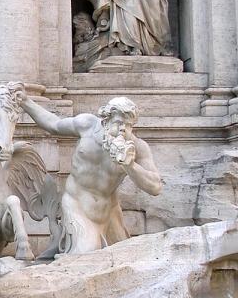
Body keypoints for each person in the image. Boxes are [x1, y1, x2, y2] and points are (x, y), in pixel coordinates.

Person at [16, 90, 162, 255]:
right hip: (77, 205)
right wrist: (25, 102)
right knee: (87, 255)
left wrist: (130, 166)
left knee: (121, 258)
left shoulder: (136, 147)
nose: (124, 130)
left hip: (109, 212)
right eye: (119, 123)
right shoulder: (87, 125)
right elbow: (53, 125)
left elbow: (155, 187)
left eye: (129, 125)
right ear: (106, 120)